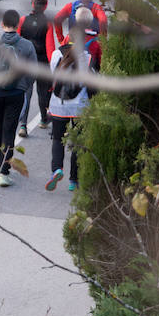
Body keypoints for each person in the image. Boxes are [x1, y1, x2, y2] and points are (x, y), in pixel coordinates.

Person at [0, 11, 36, 187]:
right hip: (16, 93)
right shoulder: (26, 45)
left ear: (2, 23)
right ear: (17, 25)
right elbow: (32, 72)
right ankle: (5, 173)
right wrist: (24, 86)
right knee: (9, 130)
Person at [45, 29, 96, 194]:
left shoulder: (56, 54)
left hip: (59, 104)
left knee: (57, 139)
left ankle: (57, 169)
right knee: (78, 142)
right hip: (80, 106)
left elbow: (53, 77)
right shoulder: (88, 58)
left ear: (68, 38)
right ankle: (74, 180)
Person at [17, 0, 51, 136]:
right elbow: (50, 46)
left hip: (26, 61)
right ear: (46, 7)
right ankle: (43, 119)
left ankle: (23, 125)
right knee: (43, 92)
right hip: (42, 62)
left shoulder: (23, 20)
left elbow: (17, 40)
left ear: (32, 4)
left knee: (26, 93)